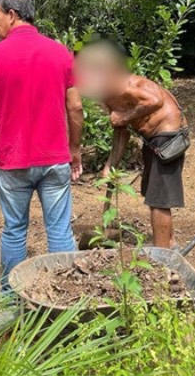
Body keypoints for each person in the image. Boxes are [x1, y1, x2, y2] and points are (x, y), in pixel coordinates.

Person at [0, 0, 84, 291]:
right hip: (54, 158)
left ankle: (12, 297)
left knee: (14, 229)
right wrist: (74, 149)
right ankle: (66, 296)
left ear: (12, 15)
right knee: (59, 230)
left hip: (13, 159)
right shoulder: (61, 52)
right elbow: (75, 107)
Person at [74, 41, 188, 248]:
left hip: (167, 136)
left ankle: (163, 254)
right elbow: (121, 129)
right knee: (153, 194)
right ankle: (169, 243)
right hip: (154, 140)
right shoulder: (107, 92)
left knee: (159, 199)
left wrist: (124, 116)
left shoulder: (121, 85)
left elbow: (155, 101)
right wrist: (110, 165)